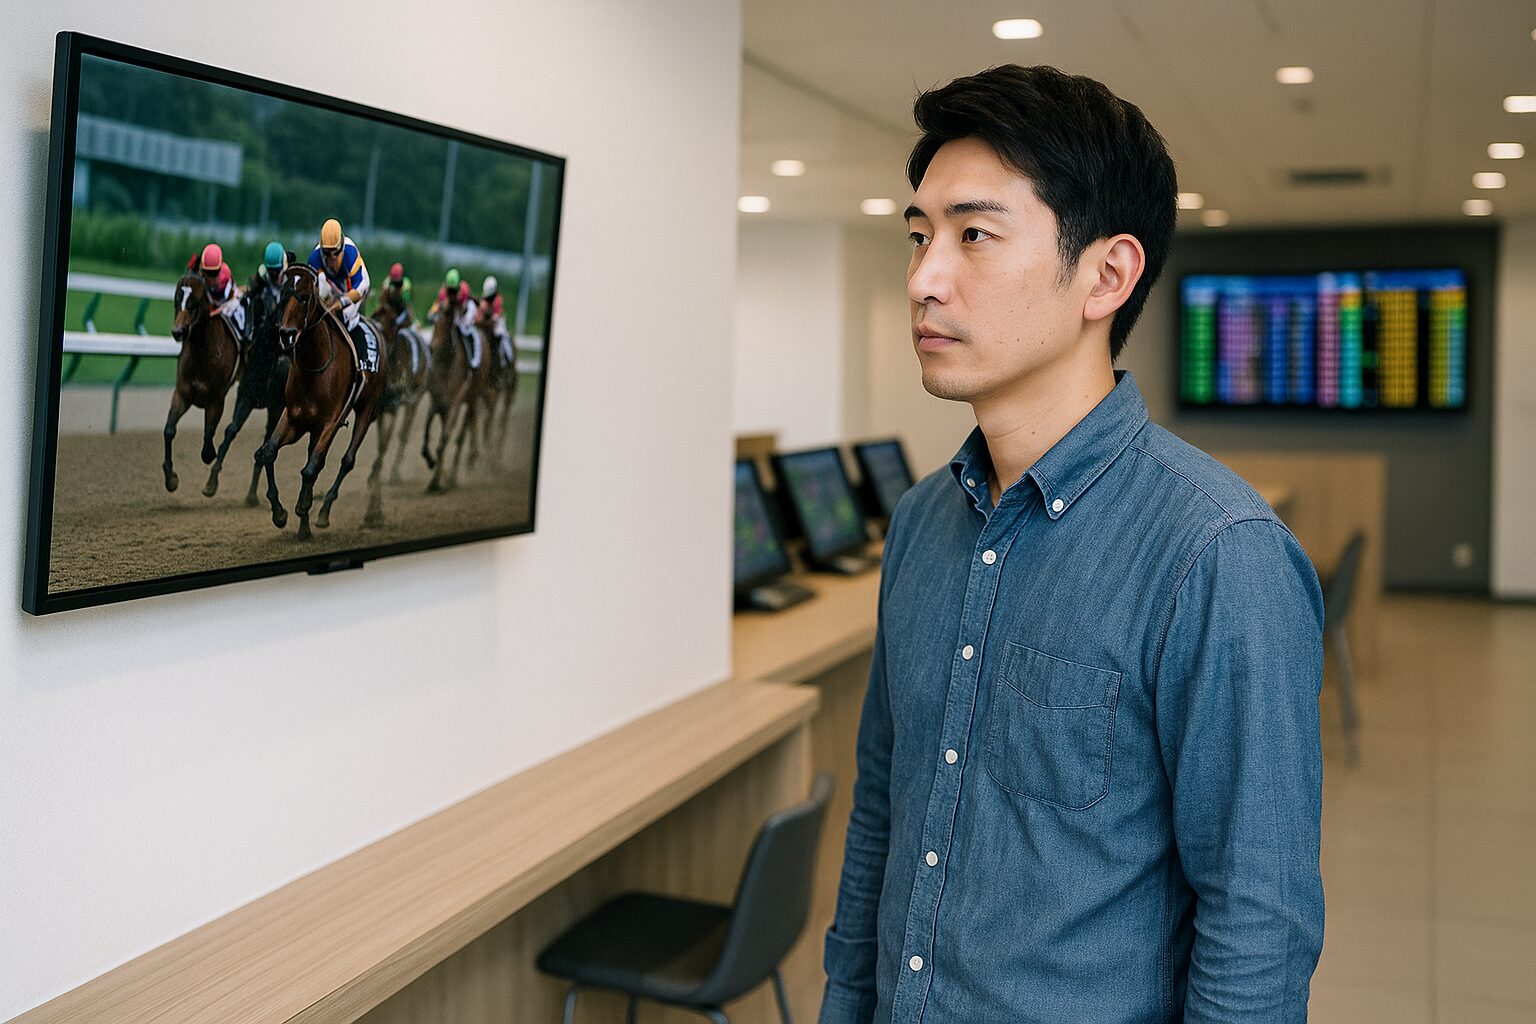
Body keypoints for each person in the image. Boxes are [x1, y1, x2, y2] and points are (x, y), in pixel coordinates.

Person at [818, 65, 1324, 1024]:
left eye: (974, 235)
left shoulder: (1218, 554)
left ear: (1107, 276)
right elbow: (880, 816)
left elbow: (1258, 925)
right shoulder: (922, 522)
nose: (924, 279)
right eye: (920, 237)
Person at [306, 218, 378, 373]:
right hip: (332, 288)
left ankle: (360, 360)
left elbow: (362, 286)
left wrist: (342, 302)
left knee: (345, 316)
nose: (331, 258)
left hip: (353, 289)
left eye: (336, 253)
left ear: (342, 248)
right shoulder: (314, 258)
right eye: (327, 253)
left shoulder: (350, 255)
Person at [188, 242, 246, 339]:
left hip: (229, 302)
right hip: (212, 304)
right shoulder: (199, 276)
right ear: (202, 270)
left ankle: (243, 341)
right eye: (208, 273)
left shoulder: (225, 275)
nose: (212, 279)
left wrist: (213, 311)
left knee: (239, 321)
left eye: (215, 273)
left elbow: (225, 302)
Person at [427, 268, 481, 369]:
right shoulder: (443, 293)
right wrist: (433, 311)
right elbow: (437, 306)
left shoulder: (464, 291)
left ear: (458, 287)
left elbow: (462, 310)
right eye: (450, 290)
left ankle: (473, 358)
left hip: (466, 311)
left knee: (465, 330)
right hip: (454, 310)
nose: (452, 293)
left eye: (454, 290)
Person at [479, 274, 515, 369]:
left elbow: (497, 314)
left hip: (498, 322)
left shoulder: (497, 299)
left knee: (501, 334)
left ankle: (507, 357)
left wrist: (492, 317)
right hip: (488, 322)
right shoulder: (484, 298)